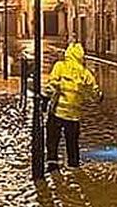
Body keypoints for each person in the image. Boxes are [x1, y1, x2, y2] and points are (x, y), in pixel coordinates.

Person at [43, 42, 102, 171]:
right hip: (74, 115)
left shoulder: (60, 66)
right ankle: (73, 166)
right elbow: (93, 94)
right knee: (72, 142)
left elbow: (51, 85)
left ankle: (52, 164)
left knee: (53, 140)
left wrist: (44, 97)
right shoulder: (85, 74)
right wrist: (99, 96)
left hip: (57, 112)